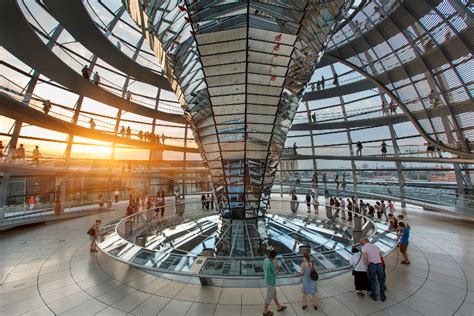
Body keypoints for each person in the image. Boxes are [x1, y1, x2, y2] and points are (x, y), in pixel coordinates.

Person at [263, 250, 287, 315]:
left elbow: (268, 269)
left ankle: (279, 307)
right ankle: (265, 311)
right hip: (271, 282)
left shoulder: (266, 260)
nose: (275, 258)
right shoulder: (270, 263)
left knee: (274, 295)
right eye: (275, 257)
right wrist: (278, 266)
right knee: (269, 296)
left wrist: (275, 264)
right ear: (273, 256)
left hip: (268, 280)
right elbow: (275, 272)